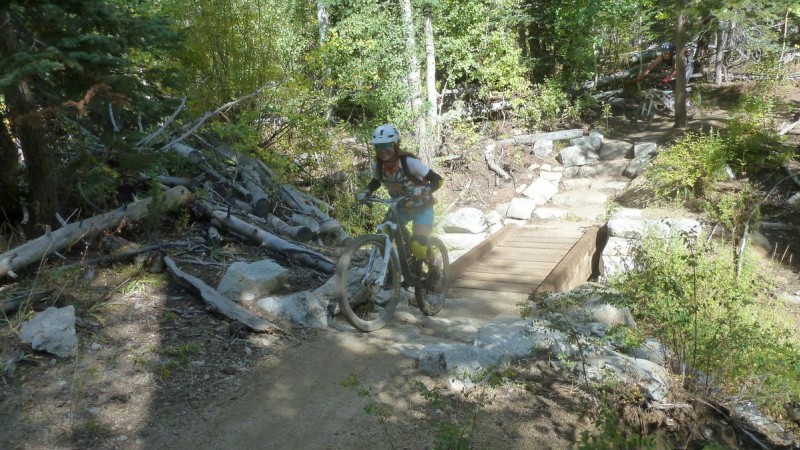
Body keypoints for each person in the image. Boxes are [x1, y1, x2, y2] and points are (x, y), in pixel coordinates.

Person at [357, 124, 444, 277]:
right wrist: (367, 191)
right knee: (383, 237)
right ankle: (393, 274)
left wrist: (426, 189)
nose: (382, 150)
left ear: (395, 145)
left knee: (418, 245)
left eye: (386, 145)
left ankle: (435, 263)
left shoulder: (409, 162)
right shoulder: (377, 165)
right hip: (399, 207)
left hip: (422, 207)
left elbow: (437, 179)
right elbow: (376, 181)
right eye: (378, 146)